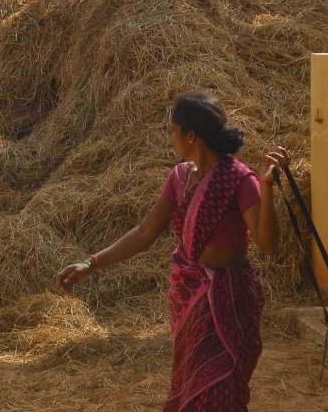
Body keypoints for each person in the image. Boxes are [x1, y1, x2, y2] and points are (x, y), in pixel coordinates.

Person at [55, 92, 289, 412]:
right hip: (189, 301)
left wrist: (267, 188)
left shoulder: (239, 179)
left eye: (174, 130)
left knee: (223, 391)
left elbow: (268, 245)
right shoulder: (179, 177)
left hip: (227, 302)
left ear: (190, 135)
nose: (173, 138)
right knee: (192, 388)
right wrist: (91, 262)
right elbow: (144, 232)